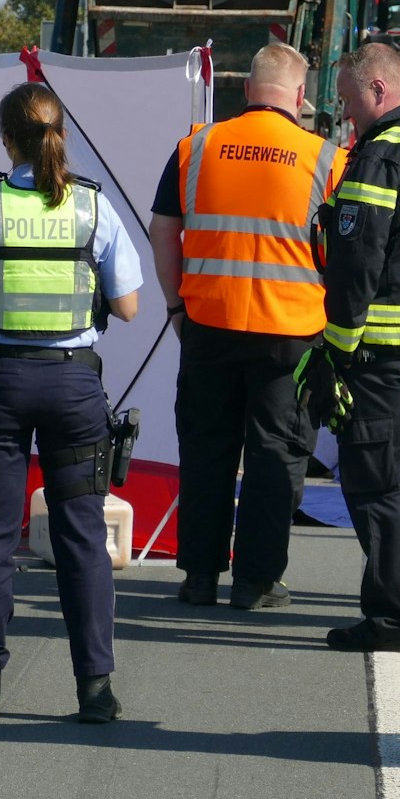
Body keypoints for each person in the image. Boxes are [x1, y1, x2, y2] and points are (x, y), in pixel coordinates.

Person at [0, 83, 143, 724]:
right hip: (74, 385)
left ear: (6, 139)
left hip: (0, 384)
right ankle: (94, 689)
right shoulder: (94, 209)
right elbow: (129, 306)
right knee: (81, 540)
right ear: (60, 137)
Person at [148, 42, 348, 611]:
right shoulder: (325, 159)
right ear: (301, 96)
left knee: (208, 448)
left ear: (246, 90)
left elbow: (164, 231)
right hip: (291, 332)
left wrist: (176, 308)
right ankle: (257, 581)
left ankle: (200, 576)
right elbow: (342, 255)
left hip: (208, 323)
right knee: (274, 453)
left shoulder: (196, 147)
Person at [297, 43, 400, 653]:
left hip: (384, 351)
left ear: (379, 91)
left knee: (383, 490)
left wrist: (335, 350)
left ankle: (393, 619)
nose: (345, 112)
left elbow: (357, 262)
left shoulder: (383, 152)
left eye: (349, 98)